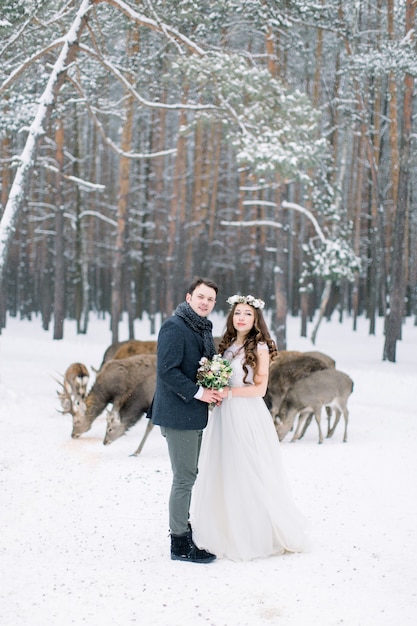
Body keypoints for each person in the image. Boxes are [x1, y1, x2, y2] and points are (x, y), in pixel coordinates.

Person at [191, 294, 310, 561]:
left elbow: (260, 389)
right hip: (224, 414)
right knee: (226, 468)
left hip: (245, 413)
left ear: (256, 319)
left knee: (247, 469)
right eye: (237, 313)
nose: (241, 318)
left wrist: (229, 393)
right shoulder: (228, 345)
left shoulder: (260, 348)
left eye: (247, 314)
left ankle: (254, 533)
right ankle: (226, 528)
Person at [150, 276, 223, 563]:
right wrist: (199, 392)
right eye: (201, 296)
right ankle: (179, 542)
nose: (205, 302)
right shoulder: (175, 326)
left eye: (210, 299)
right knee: (184, 478)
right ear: (189, 297)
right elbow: (167, 371)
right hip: (178, 413)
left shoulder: (201, 328)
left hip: (192, 414)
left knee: (188, 475)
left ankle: (183, 530)